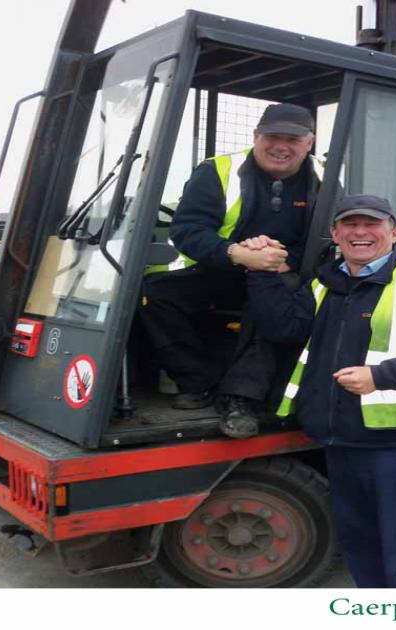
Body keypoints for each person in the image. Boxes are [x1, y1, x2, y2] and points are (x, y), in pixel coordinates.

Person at [245, 194, 396, 588]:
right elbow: (282, 328)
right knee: (361, 543)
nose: (360, 233)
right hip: (341, 440)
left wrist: (381, 376)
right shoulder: (325, 284)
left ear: (394, 232)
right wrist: (261, 271)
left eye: (371, 224)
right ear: (335, 234)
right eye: (350, 225)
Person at [139, 103, 322, 439]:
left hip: (281, 271)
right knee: (156, 294)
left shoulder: (325, 179)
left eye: (292, 139)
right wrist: (236, 252)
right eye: (272, 136)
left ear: (309, 143)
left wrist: (282, 259)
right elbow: (188, 229)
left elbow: (325, 239)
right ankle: (200, 382)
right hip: (222, 266)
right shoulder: (216, 171)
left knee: (273, 303)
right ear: (256, 137)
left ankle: (241, 399)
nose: (281, 146)